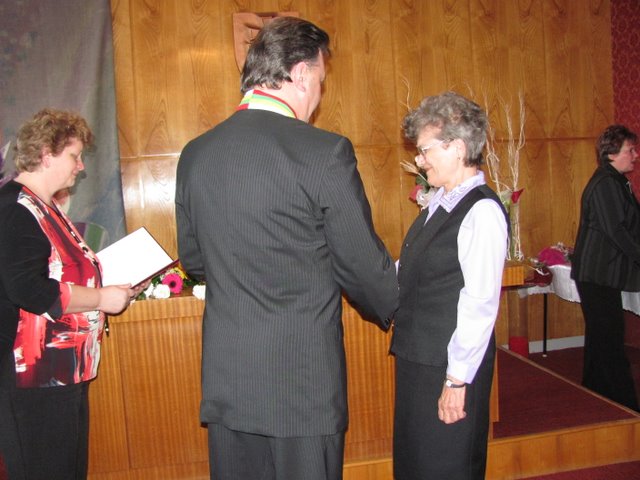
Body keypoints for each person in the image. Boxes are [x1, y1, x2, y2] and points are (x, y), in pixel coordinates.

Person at [175, 16, 398, 480]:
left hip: (230, 380)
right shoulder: (322, 152)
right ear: (299, 74)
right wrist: (398, 308)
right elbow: (360, 265)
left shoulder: (196, 153)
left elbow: (194, 261)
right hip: (301, 385)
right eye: (320, 79)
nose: (319, 93)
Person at [0, 108, 145, 479]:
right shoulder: (16, 208)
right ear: (46, 155)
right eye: (74, 156)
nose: (80, 166)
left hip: (63, 371)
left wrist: (119, 286)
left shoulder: (46, 205)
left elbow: (65, 271)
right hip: (35, 376)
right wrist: (100, 299)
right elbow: (29, 289)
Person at [390, 92, 508, 479]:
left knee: (446, 464)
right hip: (420, 360)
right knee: (417, 464)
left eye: (425, 150)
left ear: (457, 148)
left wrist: (456, 381)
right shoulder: (441, 202)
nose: (419, 161)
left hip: (449, 367)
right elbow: (410, 269)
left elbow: (480, 303)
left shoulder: (482, 211)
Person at [571, 124, 640, 412]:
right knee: (610, 338)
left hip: (601, 273)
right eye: (630, 150)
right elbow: (617, 231)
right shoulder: (606, 184)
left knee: (602, 337)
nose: (635, 155)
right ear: (611, 154)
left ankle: (595, 391)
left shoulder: (616, 181)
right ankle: (626, 403)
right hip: (597, 273)